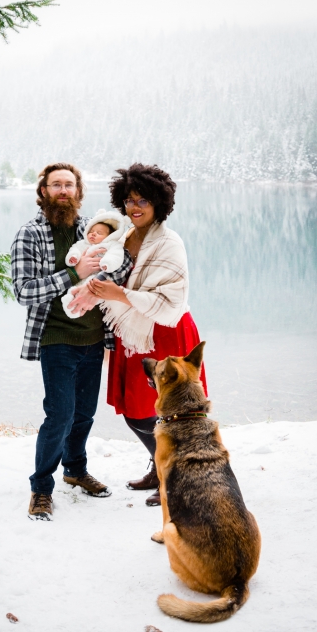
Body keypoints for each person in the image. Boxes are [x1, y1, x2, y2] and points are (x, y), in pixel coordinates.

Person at [11, 162, 132, 521]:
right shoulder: (29, 234)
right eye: (55, 185)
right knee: (59, 414)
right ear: (43, 192)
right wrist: (72, 274)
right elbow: (23, 292)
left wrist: (109, 270)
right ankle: (41, 488)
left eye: (69, 185)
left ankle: (75, 470)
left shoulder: (93, 232)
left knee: (83, 414)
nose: (63, 191)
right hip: (56, 338)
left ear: (78, 193)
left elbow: (121, 264)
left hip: (94, 338)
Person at [87, 163, 207, 507]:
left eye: (142, 200)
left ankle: (175, 477)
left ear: (158, 203)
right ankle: (161, 465)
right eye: (128, 200)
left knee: (172, 410)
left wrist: (117, 296)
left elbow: (172, 302)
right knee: (136, 411)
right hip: (133, 332)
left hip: (167, 333)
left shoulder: (170, 242)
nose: (134, 207)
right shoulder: (121, 237)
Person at [61, 208, 129, 319]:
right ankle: (70, 302)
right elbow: (75, 249)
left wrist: (108, 263)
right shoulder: (83, 243)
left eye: (99, 233)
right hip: (80, 278)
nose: (93, 234)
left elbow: (116, 255)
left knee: (92, 284)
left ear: (109, 236)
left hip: (97, 276)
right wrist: (73, 257)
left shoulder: (111, 245)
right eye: (91, 231)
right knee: (74, 289)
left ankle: (77, 307)